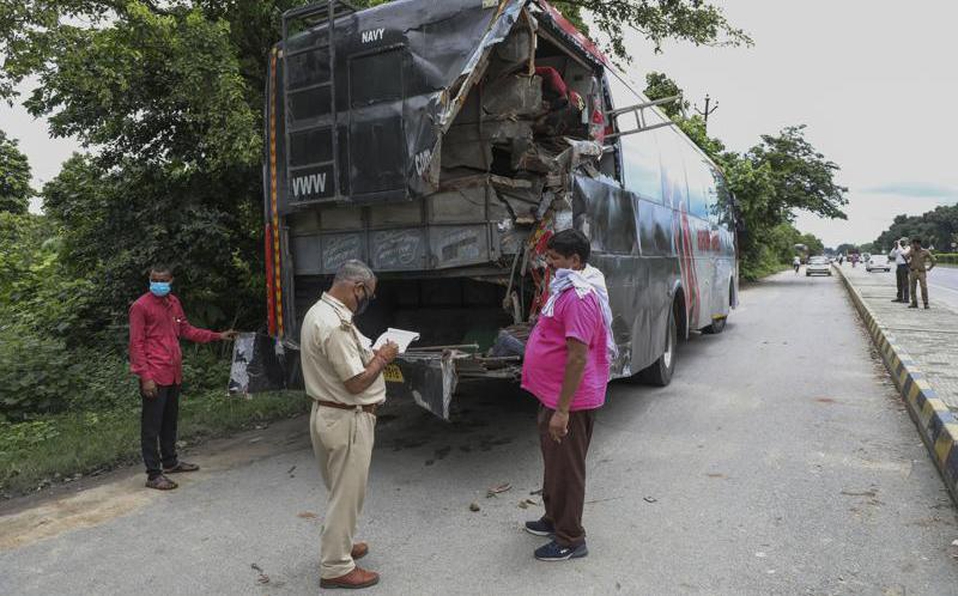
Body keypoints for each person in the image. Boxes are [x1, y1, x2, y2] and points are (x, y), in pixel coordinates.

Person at [300, 260, 399, 590]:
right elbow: (356, 381)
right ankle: (336, 566)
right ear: (357, 288)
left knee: (340, 491)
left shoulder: (321, 312)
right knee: (346, 494)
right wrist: (383, 358)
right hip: (346, 417)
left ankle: (340, 544)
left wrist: (374, 352)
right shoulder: (334, 324)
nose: (366, 301)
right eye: (367, 295)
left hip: (328, 414)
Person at [521, 229, 613, 562]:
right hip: (554, 394)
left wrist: (563, 410)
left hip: (570, 400)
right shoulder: (564, 287)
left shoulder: (579, 296)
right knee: (554, 463)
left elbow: (577, 356)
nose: (549, 264)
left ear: (575, 260)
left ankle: (571, 539)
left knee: (567, 469)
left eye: (555, 258)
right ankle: (553, 519)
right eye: (548, 257)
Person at [129, 264, 237, 491]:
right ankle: (153, 474)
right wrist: (145, 377)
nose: (159, 284)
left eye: (163, 280)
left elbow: (187, 330)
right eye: (154, 280)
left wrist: (217, 336)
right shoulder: (140, 307)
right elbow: (136, 344)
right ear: (150, 280)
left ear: (171, 281)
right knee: (151, 426)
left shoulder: (173, 303)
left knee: (169, 421)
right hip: (154, 374)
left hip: (173, 373)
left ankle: (170, 462)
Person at [906, 237, 937, 309]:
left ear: (919, 244)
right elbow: (905, 257)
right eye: (913, 244)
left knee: (923, 287)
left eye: (915, 244)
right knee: (912, 288)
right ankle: (914, 303)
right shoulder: (912, 251)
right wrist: (911, 251)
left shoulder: (925, 251)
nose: (914, 245)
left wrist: (930, 268)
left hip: (921, 272)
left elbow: (934, 260)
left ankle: (926, 303)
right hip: (913, 271)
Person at [889, 237, 911, 303]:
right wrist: (895, 247)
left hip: (904, 266)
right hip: (898, 266)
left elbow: (904, 253)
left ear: (907, 242)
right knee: (899, 283)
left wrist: (899, 246)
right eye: (901, 241)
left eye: (903, 241)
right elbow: (891, 254)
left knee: (905, 283)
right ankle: (899, 297)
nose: (901, 242)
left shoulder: (908, 248)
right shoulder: (898, 248)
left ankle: (906, 298)